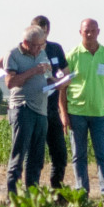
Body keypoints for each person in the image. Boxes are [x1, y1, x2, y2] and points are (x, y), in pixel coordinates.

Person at [62, 18, 104, 196]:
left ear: (98, 31)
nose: (90, 34)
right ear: (80, 32)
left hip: (100, 114)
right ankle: (81, 192)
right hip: (76, 113)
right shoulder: (72, 55)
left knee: (103, 156)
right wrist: (64, 114)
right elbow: (62, 88)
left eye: (93, 30)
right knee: (79, 156)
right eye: (86, 30)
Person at [5, 24, 52, 194]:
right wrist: (32, 71)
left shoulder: (42, 53)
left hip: (41, 110)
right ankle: (13, 197)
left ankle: (32, 195)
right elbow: (10, 83)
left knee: (36, 158)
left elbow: (46, 76)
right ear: (25, 42)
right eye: (36, 45)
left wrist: (55, 82)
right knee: (18, 156)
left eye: (41, 45)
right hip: (23, 108)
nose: (39, 49)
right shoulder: (13, 55)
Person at [31, 16, 70, 188]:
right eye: (39, 31)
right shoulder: (27, 50)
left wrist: (60, 80)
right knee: (35, 155)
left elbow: (65, 72)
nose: (43, 35)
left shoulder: (56, 49)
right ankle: (32, 191)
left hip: (52, 108)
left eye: (45, 31)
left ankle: (57, 189)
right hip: (34, 108)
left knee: (60, 153)